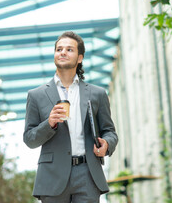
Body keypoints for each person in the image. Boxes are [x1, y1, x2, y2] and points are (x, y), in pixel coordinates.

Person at [23, 31, 118, 203]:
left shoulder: (97, 94)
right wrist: (49, 123)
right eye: (59, 49)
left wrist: (107, 144)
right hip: (52, 175)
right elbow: (29, 139)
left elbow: (110, 132)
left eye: (69, 49)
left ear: (80, 58)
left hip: (87, 174)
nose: (63, 52)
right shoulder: (36, 95)